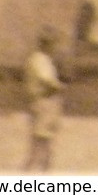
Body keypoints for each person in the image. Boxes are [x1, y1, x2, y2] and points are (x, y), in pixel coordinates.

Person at [22, 29, 64, 173]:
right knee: (41, 145)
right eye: (53, 44)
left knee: (44, 145)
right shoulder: (41, 60)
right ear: (47, 44)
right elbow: (49, 82)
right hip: (44, 102)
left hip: (42, 102)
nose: (55, 48)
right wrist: (60, 86)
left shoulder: (37, 59)